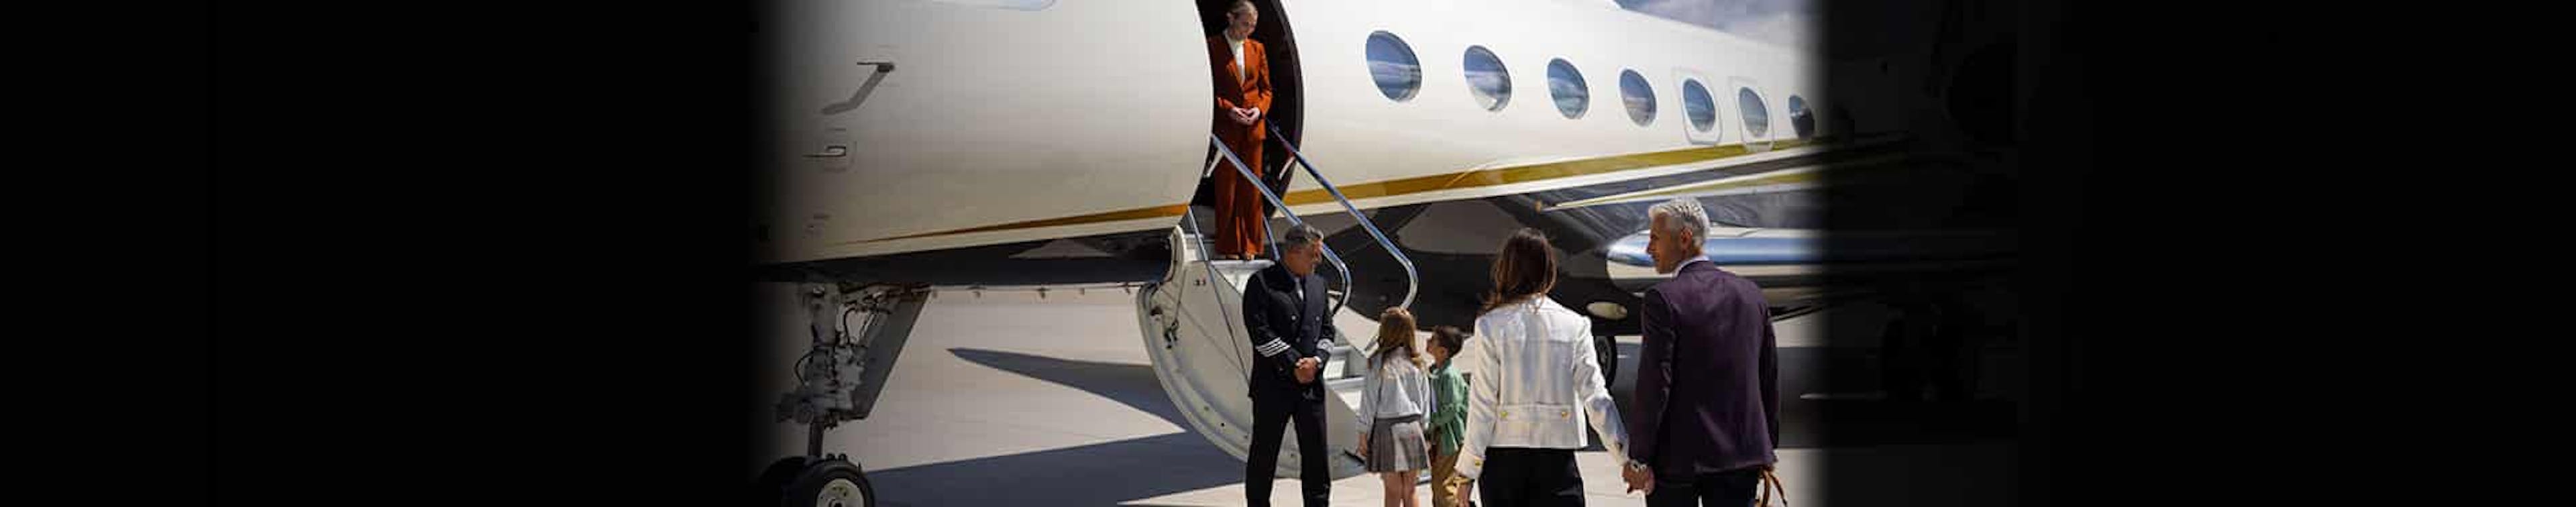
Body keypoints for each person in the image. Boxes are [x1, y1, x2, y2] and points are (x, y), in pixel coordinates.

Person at [1447, 228, 1644, 506]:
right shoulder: (1575, 325)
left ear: (1506, 270)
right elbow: (1596, 398)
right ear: (1549, 270)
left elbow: (1483, 405)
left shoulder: (1490, 326)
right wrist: (1625, 458)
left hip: (1503, 467)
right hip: (1557, 463)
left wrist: (1468, 471)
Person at [1624, 199, 1782, 506]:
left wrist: (1639, 459)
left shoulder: (1663, 299)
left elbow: (1655, 385)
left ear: (1684, 239)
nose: (1648, 248)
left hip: (1678, 463)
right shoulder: (1751, 294)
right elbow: (1768, 377)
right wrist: (1766, 447)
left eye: (1655, 238)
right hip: (1741, 458)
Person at [1242, 223, 1335, 507]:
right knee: (1264, 455)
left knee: (1316, 457)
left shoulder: (1319, 285)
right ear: (1293, 252)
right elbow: (1259, 332)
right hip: (1274, 384)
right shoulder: (1262, 283)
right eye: (1313, 254)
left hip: (1310, 385)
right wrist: (1295, 364)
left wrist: (1316, 362)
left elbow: (1328, 331)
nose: (1318, 261)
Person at [1207, 0, 1275, 260]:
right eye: (1245, 24)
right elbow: (1208, 88)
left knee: (1251, 188)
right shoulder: (1213, 46)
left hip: (1253, 127)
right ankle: (1228, 246)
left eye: (1253, 25)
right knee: (1228, 188)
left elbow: (1266, 90)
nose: (1249, 30)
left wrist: (1259, 110)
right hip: (1228, 126)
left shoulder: (1257, 48)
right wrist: (1228, 109)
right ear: (1230, 18)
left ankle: (1250, 245)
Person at [1356, 307, 1434, 507]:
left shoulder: (1377, 363)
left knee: (1393, 490)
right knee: (1410, 490)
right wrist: (1425, 430)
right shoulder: (1417, 363)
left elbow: (1369, 402)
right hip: (1414, 429)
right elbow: (1425, 401)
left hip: (1387, 429)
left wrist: (1363, 434)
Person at [1425, 325, 1476, 507]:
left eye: (1433, 340)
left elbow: (1450, 409)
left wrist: (1430, 423)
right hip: (1441, 437)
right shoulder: (1436, 372)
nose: (1428, 341)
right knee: (1439, 483)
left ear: (1443, 351)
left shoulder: (1449, 376)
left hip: (1451, 438)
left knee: (1446, 486)